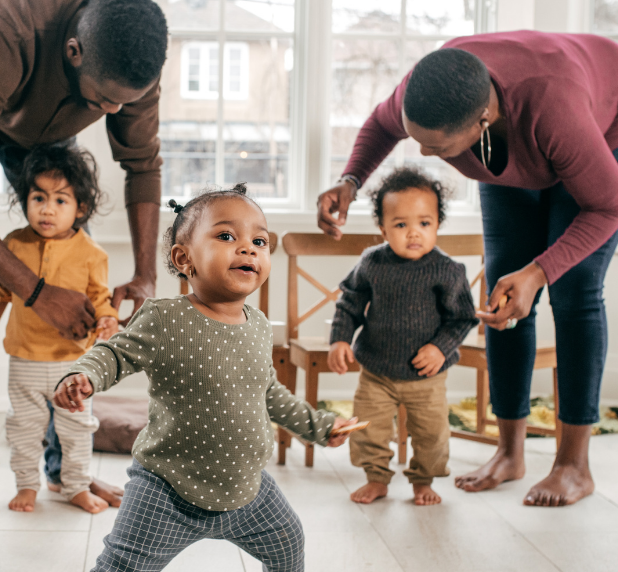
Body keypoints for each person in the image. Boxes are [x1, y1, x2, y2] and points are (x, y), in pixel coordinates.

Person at [316, 31, 618, 507]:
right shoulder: (430, 84)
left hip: (600, 134)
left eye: (436, 147)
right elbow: (381, 123)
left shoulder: (553, 106)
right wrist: (351, 180)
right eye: (419, 139)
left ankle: (574, 466)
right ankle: (509, 452)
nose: (422, 154)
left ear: (482, 120)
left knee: (574, 291)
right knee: (503, 294)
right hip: (519, 147)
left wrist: (539, 271)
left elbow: (608, 207)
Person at [0, 0, 168, 525]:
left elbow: (142, 162)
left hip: (46, 104)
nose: (113, 114)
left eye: (124, 103)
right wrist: (37, 292)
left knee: (72, 262)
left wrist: (145, 273)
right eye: (105, 101)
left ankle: (65, 465)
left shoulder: (134, 50)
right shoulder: (1, 34)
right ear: (74, 52)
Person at [53, 186, 359, 572]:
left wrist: (319, 426)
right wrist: (85, 374)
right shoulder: (165, 319)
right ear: (185, 259)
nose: (248, 248)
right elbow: (114, 353)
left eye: (259, 241)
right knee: (122, 566)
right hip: (167, 491)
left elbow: (268, 393)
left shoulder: (259, 326)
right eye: (227, 236)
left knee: (288, 543)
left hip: (247, 489)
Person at [0, 144, 119, 513]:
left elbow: (100, 298)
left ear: (80, 209)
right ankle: (27, 486)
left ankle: (76, 486)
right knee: (23, 430)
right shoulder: (14, 244)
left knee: (76, 430)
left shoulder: (92, 254)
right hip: (24, 360)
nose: (47, 209)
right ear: (25, 201)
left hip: (74, 365)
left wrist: (108, 319)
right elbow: (0, 292)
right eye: (38, 197)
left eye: (61, 200)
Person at [327, 167, 478, 506]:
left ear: (438, 223)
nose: (414, 233)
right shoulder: (372, 262)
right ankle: (376, 478)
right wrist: (339, 339)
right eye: (400, 225)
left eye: (424, 223)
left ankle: (423, 481)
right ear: (382, 228)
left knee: (431, 434)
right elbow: (350, 302)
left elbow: (463, 318)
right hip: (376, 370)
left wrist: (440, 349)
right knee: (368, 429)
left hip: (426, 376)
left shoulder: (447, 270)